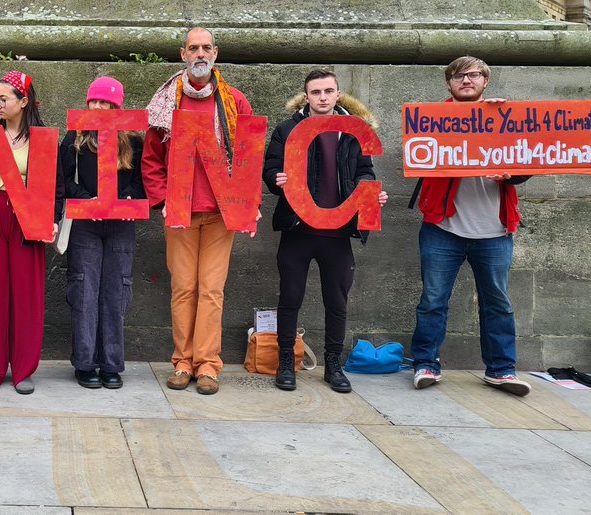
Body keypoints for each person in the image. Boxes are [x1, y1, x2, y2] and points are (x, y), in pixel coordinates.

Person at [410, 56, 532, 396]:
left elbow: (527, 162)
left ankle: (502, 370)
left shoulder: (505, 117)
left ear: (485, 81)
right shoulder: (432, 119)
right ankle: (425, 364)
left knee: (498, 303)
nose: (466, 80)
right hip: (443, 229)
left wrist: (512, 172)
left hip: (494, 231)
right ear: (449, 83)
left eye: (474, 75)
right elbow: (418, 154)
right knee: (433, 300)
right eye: (458, 76)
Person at [141, 27, 253, 395]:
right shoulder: (166, 102)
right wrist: (162, 200)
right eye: (194, 48)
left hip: (221, 212)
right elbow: (151, 158)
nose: (200, 53)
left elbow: (249, 155)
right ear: (183, 54)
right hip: (180, 212)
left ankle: (207, 365)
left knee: (212, 290)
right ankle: (183, 362)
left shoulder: (235, 101)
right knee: (183, 289)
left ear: (215, 53)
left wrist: (248, 203)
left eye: (206, 47)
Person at [262, 68, 388, 393]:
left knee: (337, 302)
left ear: (337, 94)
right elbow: (271, 167)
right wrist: (275, 179)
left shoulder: (355, 130)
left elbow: (365, 171)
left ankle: (333, 365)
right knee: (290, 298)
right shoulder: (288, 129)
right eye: (316, 92)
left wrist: (368, 192)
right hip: (298, 229)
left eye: (328, 91)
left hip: (338, 232)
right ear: (306, 97)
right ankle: (286, 362)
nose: (322, 97)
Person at [0, 71, 55, 395]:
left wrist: (53, 218)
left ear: (23, 101)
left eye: (4, 99)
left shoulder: (42, 138)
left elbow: (56, 185)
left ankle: (23, 369)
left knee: (26, 294)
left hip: (27, 220)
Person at [55, 76, 144, 389]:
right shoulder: (75, 138)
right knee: (84, 290)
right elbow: (63, 179)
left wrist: (128, 198)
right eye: (94, 101)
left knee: (116, 292)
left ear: (117, 107)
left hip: (121, 225)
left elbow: (142, 179)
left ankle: (111, 364)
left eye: (105, 102)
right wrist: (86, 199)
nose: (98, 106)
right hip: (85, 225)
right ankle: (85, 363)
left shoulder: (133, 141)